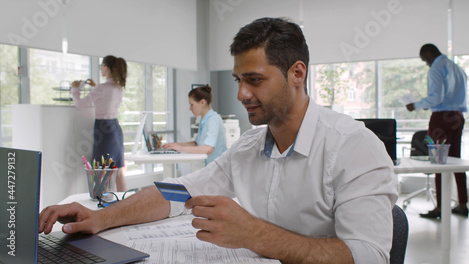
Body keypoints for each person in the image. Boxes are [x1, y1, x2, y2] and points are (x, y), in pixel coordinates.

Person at [39, 18, 398, 264]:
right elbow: (176, 193)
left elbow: (368, 255)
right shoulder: (249, 146)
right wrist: (100, 218)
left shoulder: (354, 148)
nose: (241, 93)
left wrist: (256, 234)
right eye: (238, 79)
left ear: (297, 74)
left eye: (254, 80)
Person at [406, 43, 469, 218]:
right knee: (457, 160)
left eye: (425, 59)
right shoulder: (457, 69)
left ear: (429, 53)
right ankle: (462, 203)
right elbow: (446, 98)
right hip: (457, 117)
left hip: (441, 120)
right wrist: (433, 105)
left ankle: (440, 207)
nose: (427, 64)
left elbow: (436, 98)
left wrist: (416, 105)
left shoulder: (436, 68)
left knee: (438, 161)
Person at [71, 55, 128, 192]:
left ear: (106, 68)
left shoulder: (101, 88)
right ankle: (123, 203)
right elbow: (105, 98)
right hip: (115, 128)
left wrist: (74, 89)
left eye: (101, 66)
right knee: (118, 171)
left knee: (102, 170)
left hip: (104, 130)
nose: (101, 69)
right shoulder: (118, 87)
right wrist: (95, 87)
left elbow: (79, 104)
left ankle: (104, 204)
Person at [161, 84, 227, 164]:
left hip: (218, 167)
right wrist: (175, 145)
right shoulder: (204, 120)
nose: (190, 108)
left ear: (202, 102)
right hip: (210, 166)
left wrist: (181, 148)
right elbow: (196, 143)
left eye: (192, 105)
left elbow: (208, 149)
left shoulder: (213, 120)